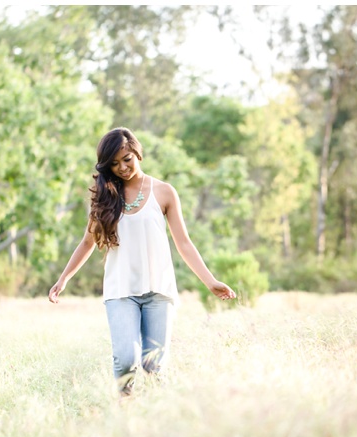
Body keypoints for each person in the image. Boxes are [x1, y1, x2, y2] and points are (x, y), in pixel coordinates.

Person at [48, 127, 236, 397]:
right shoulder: (105, 196)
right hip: (120, 291)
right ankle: (124, 412)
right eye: (114, 163)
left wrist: (211, 281)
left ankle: (155, 418)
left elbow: (183, 242)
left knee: (154, 366)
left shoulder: (164, 192)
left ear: (137, 153)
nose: (122, 167)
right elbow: (88, 242)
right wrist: (63, 278)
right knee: (126, 359)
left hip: (158, 290)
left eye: (127, 159)